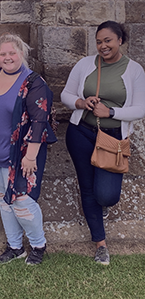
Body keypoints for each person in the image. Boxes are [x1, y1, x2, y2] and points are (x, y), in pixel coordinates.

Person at [61, 20, 145, 265]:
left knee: (106, 195)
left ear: (120, 40)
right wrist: (81, 102)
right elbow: (66, 94)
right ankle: (100, 244)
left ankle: (101, 205)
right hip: (81, 133)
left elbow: (141, 108)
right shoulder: (85, 64)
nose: (102, 46)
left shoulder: (134, 70)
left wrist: (111, 113)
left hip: (113, 139)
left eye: (108, 40)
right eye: (99, 41)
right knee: (87, 188)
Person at [0, 34, 57, 265]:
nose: (8, 57)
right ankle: (15, 246)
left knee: (22, 202)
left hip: (21, 157)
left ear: (22, 54)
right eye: (3, 53)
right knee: (3, 200)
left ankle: (38, 245)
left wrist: (31, 156)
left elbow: (39, 121)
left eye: (13, 52)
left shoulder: (33, 82)